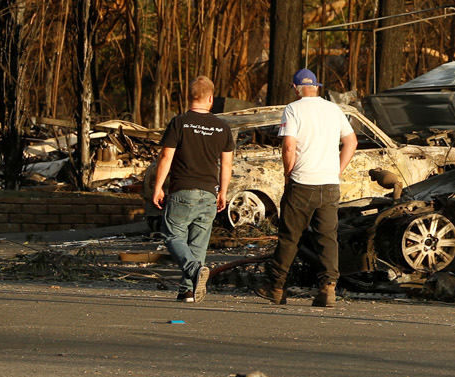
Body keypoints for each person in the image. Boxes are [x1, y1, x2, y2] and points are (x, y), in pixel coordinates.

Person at [257, 68, 355, 307]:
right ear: (317, 87)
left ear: (295, 88)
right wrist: (338, 170)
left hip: (302, 183)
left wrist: (288, 173)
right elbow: (351, 141)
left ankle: (277, 288)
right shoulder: (334, 109)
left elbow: (289, 147)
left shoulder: (292, 109)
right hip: (329, 184)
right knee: (327, 238)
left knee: (290, 237)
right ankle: (328, 289)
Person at [152, 76, 234, 302]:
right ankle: (188, 291)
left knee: (172, 236)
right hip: (209, 192)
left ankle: (193, 270)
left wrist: (158, 187)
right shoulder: (223, 127)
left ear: (190, 98)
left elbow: (166, 156)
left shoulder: (179, 122)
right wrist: (223, 192)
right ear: (210, 99)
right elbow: (226, 164)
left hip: (182, 190)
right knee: (198, 243)